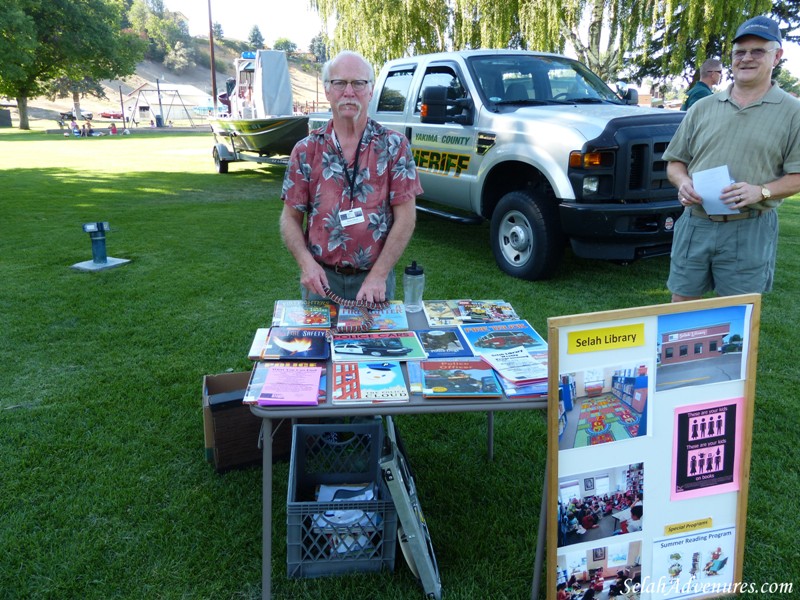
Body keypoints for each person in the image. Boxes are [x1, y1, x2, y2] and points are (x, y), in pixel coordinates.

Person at [664, 15, 800, 302]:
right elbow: (675, 162)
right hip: (695, 224)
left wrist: (760, 191)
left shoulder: (793, 112)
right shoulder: (702, 107)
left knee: (736, 318)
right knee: (679, 315)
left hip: (750, 227)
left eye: (757, 51)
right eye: (740, 52)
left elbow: (797, 176)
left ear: (777, 56)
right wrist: (683, 182)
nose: (746, 58)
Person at [280, 50, 422, 303]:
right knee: (320, 344)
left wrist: (379, 275)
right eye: (339, 83)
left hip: (374, 281)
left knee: (376, 344)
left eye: (358, 83)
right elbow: (290, 218)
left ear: (371, 90)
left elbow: (406, 217)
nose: (349, 92)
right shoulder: (305, 150)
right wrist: (306, 265)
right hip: (321, 281)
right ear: (327, 90)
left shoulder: (394, 146)